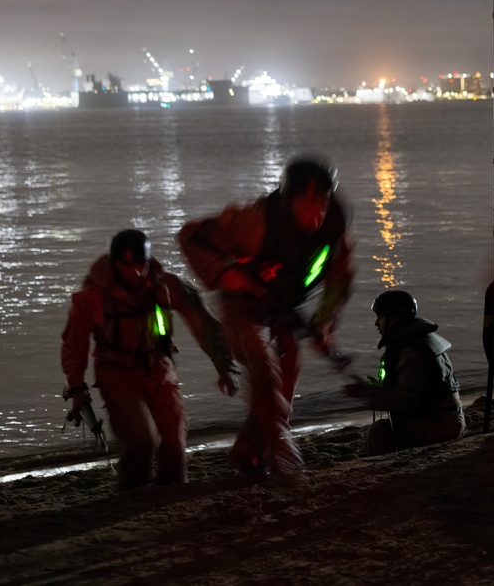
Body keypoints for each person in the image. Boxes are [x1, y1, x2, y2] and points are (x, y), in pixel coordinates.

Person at [178, 155, 354, 485]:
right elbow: (191, 236)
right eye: (306, 203)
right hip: (242, 307)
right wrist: (234, 277)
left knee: (286, 379)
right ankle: (287, 462)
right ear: (288, 199)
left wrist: (324, 323)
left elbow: (339, 281)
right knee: (264, 370)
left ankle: (248, 450)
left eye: (322, 203)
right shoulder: (253, 222)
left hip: (284, 308)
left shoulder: (333, 232)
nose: (315, 213)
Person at [61, 229, 240, 490]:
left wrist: (226, 366)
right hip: (116, 373)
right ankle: (132, 488)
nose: (135, 272)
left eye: (140, 265)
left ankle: (171, 489)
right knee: (141, 438)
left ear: (148, 261)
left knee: (174, 440)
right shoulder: (93, 296)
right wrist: (77, 387)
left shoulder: (165, 285)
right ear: (114, 265)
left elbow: (204, 323)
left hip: (158, 367)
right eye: (126, 265)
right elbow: (74, 343)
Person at [343, 289, 465, 456]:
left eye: (380, 317)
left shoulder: (412, 352)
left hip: (442, 423)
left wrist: (366, 392)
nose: (376, 324)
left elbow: (406, 399)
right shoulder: (416, 340)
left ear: (394, 318)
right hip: (444, 417)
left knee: (379, 432)